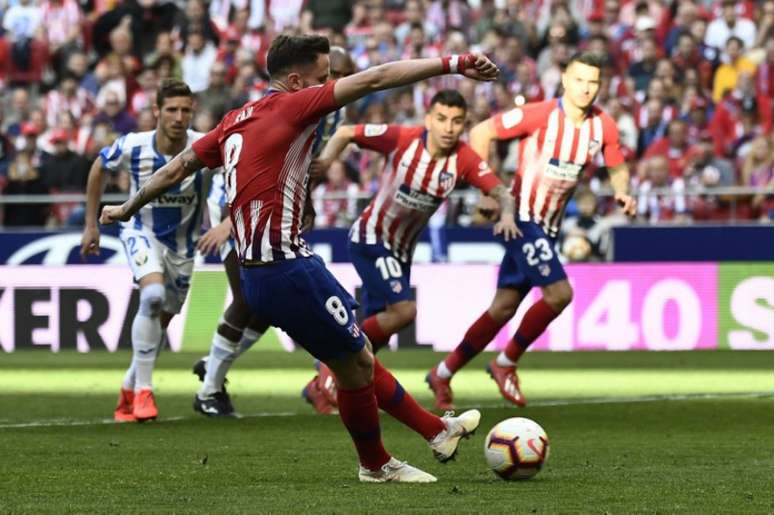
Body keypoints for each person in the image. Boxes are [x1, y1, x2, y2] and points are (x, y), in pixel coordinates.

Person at [99, 34, 499, 483]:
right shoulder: (293, 106)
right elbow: (378, 78)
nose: (329, 84)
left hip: (263, 272)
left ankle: (435, 431)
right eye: (322, 77)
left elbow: (176, 169)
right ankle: (376, 464)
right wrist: (453, 61)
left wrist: (126, 207)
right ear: (294, 81)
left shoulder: (234, 119)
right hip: (285, 267)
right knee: (353, 367)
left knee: (358, 356)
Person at [426, 52, 637, 410]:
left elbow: (616, 162)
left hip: (548, 228)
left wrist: (623, 191)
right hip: (521, 218)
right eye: (580, 80)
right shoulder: (540, 114)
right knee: (559, 294)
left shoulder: (603, 126)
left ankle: (443, 374)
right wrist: (489, 190)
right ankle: (505, 363)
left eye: (593, 82)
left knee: (503, 308)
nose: (586, 89)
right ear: (565, 81)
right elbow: (481, 131)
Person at [302, 89, 519, 414]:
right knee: (404, 312)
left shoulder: (464, 159)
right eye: (442, 119)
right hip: (371, 238)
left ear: (464, 125)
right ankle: (328, 367)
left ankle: (316, 387)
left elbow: (501, 190)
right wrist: (328, 161)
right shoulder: (402, 139)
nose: (448, 128)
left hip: (401, 253)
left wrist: (505, 213)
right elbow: (346, 132)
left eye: (456, 122)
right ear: (428, 118)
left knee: (380, 335)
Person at [190, 46, 357, 417]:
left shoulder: (330, 110)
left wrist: (306, 203)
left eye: (343, 75)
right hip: (234, 204)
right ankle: (209, 389)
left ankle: (214, 363)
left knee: (266, 306)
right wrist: (229, 221)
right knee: (249, 298)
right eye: (332, 75)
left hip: (269, 209)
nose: (337, 83)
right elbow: (256, 167)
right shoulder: (284, 107)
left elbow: (300, 166)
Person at [80, 79, 215, 423]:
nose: (178, 117)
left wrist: (225, 221)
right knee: (152, 296)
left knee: (160, 322)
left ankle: (128, 389)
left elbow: (231, 180)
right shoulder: (133, 145)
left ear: (193, 111)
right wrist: (91, 224)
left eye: (185, 110)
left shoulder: (204, 146)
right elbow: (99, 166)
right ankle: (144, 392)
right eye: (171, 109)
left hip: (184, 249)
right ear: (157, 111)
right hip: (141, 232)